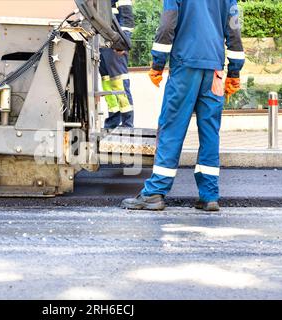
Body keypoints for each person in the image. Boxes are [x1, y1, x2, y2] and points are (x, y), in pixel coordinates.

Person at [122, 0, 245, 211]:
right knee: (210, 132)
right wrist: (234, 71)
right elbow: (234, 32)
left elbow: (167, 26)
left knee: (171, 128)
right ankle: (209, 196)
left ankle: (155, 192)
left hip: (185, 67)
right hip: (214, 69)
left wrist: (158, 63)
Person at [100, 0, 135, 129]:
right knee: (107, 84)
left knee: (119, 84)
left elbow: (127, 20)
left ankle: (127, 124)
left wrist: (121, 42)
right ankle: (113, 122)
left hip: (116, 45)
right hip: (101, 44)